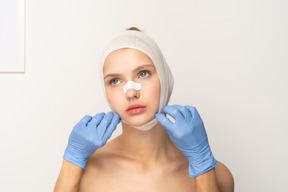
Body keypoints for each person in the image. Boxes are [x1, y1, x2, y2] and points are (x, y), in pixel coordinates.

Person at [54, 27, 234, 192]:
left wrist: (202, 165)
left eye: (143, 73)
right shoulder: (84, 173)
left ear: (165, 77)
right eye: (115, 81)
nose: (131, 92)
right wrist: (71, 161)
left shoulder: (218, 175)